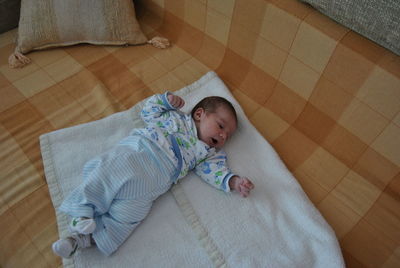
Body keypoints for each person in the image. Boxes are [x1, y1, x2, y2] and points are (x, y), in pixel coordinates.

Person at [52, 92, 255, 258]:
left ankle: (82, 240)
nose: (222, 136)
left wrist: (233, 181)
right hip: (137, 153)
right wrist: (165, 100)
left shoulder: (208, 154)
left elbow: (216, 172)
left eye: (226, 135)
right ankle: (82, 213)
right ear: (199, 114)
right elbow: (148, 111)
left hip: (153, 184)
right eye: (221, 126)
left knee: (130, 215)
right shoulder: (175, 118)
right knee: (105, 175)